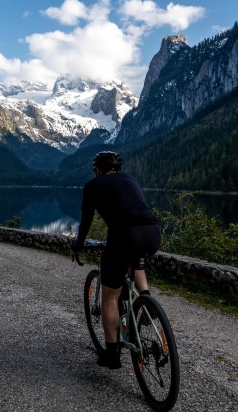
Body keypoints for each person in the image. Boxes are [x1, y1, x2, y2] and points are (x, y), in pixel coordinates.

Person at [71, 151, 162, 369]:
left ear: (97, 169)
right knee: (134, 256)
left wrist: (78, 245)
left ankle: (112, 353)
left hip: (123, 236)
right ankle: (146, 300)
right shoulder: (131, 179)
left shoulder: (93, 185)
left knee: (110, 296)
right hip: (152, 233)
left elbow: (86, 221)